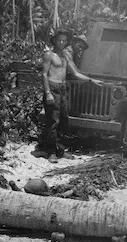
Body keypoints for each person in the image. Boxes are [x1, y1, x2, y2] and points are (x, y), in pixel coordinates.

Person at [36, 27, 104, 163]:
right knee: (53, 121)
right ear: (54, 40)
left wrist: (91, 80)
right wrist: (48, 93)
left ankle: (60, 150)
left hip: (62, 88)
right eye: (59, 40)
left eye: (64, 41)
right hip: (53, 88)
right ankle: (51, 152)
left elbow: (75, 73)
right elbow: (44, 74)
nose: (61, 43)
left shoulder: (65, 56)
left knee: (64, 120)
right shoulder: (49, 55)